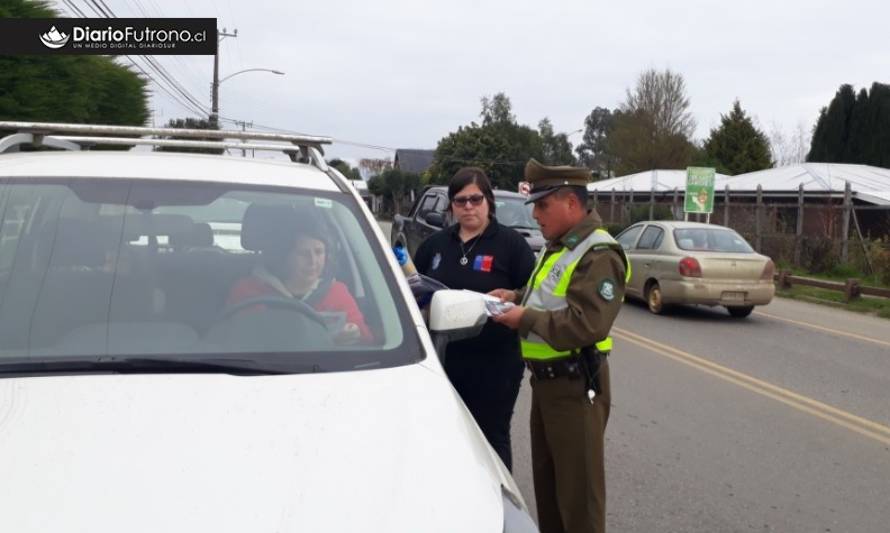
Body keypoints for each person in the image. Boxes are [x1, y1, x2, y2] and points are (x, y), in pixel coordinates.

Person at [489, 159, 631, 533]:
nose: (535, 214)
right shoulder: (561, 245)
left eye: (542, 205)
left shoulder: (599, 253)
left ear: (570, 202)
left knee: (579, 505)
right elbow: (549, 296)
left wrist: (524, 318)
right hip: (547, 387)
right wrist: (515, 295)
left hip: (575, 389)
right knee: (551, 497)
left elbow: (587, 322)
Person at [412, 167, 535, 471]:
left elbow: (533, 293)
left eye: (475, 199)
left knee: (490, 436)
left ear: (488, 201)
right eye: (460, 200)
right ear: (451, 205)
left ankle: (500, 505)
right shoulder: (436, 246)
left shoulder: (511, 245)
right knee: (443, 433)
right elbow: (414, 288)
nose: (468, 206)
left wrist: (515, 296)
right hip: (442, 359)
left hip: (495, 363)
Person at [227, 219, 372, 344]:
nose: (313, 261)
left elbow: (368, 338)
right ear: (286, 256)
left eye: (319, 252)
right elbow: (230, 339)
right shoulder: (248, 290)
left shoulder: (337, 292)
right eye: (303, 253)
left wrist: (355, 332)